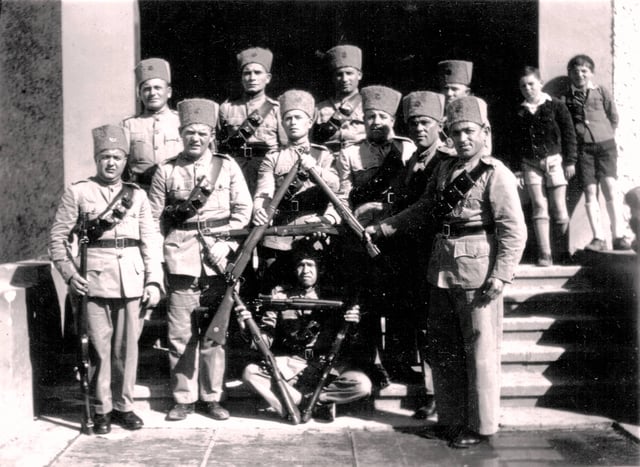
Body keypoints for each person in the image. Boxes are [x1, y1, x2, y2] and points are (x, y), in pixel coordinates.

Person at [365, 96, 527, 448]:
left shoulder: (494, 173)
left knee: (479, 353)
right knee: (442, 350)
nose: (463, 138)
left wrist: (501, 275)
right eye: (455, 132)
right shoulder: (444, 170)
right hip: (441, 269)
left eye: (469, 131)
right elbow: (425, 209)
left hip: (479, 273)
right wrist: (386, 227)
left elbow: (513, 229)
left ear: (484, 132)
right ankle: (450, 422)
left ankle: (479, 426)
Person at [49, 124, 164, 434]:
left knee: (127, 350)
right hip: (94, 282)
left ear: (125, 159)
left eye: (116, 157)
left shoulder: (137, 196)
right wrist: (71, 275)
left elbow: (150, 239)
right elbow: (58, 239)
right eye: (104, 157)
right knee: (99, 350)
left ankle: (124, 406)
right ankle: (102, 409)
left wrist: (154, 281)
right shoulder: (78, 191)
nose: (110, 163)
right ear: (96, 159)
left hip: (132, 281)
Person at [148, 98, 252, 421]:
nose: (195, 138)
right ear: (180, 133)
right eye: (189, 132)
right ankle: (183, 398)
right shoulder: (166, 170)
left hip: (219, 260)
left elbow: (243, 212)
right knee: (180, 334)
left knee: (214, 333)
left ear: (211, 135)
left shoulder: (228, 165)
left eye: (202, 132)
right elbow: (151, 220)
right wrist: (158, 261)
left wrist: (228, 246)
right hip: (180, 258)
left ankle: (212, 396)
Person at [239, 241, 372, 422]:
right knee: (250, 373)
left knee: (362, 385)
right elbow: (265, 339)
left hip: (325, 365)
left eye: (310, 265)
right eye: (300, 265)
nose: (305, 270)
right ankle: (305, 403)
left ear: (320, 269)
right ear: (294, 269)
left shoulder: (334, 297)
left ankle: (306, 402)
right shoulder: (280, 296)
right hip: (292, 365)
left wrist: (353, 324)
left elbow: (351, 341)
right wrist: (247, 326)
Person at [253, 89, 340, 290]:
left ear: (309, 122)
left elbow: (336, 186)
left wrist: (313, 169)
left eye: (298, 118)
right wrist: (259, 210)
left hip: (313, 232)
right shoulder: (273, 158)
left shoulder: (323, 156)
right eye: (288, 118)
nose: (292, 122)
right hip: (278, 236)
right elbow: (264, 192)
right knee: (275, 293)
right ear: (282, 124)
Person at [562, 54, 631, 251]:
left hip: (606, 146)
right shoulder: (566, 97)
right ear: (570, 74)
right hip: (584, 150)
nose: (580, 75)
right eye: (575, 72)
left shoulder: (600, 91)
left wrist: (605, 133)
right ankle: (598, 237)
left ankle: (619, 235)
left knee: (610, 187)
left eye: (584, 71)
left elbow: (613, 116)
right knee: (590, 191)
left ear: (591, 73)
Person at [513, 66, 577, 266]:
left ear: (540, 83)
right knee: (539, 207)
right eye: (523, 86)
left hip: (554, 161)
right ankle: (545, 253)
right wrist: (517, 169)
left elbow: (569, 134)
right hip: (530, 164)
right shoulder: (520, 111)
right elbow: (513, 142)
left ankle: (563, 252)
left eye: (531, 84)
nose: (528, 89)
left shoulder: (556, 106)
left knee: (559, 208)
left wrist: (571, 161)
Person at [218, 47, 286, 195]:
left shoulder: (276, 109)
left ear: (267, 78)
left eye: (257, 72)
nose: (252, 77)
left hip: (266, 171)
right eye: (247, 73)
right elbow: (218, 146)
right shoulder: (227, 108)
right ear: (241, 78)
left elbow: (285, 146)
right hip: (236, 169)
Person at [121, 58, 183, 191]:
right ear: (139, 94)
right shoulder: (129, 125)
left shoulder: (181, 121)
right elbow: (121, 166)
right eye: (147, 89)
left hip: (175, 190)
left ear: (169, 92)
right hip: (142, 191)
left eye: (158, 88)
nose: (152, 93)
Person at [312, 45, 366, 152]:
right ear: (333, 77)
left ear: (359, 75)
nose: (344, 79)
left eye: (349, 73)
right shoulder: (319, 109)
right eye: (339, 74)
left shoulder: (369, 106)